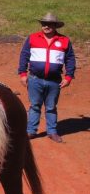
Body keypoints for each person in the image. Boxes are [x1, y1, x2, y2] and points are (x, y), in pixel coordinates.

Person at [18, 12, 76, 143]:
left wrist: (68, 77)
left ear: (55, 26)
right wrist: (22, 74)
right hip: (35, 79)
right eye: (44, 24)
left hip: (54, 81)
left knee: (51, 107)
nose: (46, 26)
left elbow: (70, 59)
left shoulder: (64, 40)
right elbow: (24, 55)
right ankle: (31, 131)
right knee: (35, 105)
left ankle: (52, 132)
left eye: (49, 24)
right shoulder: (32, 38)